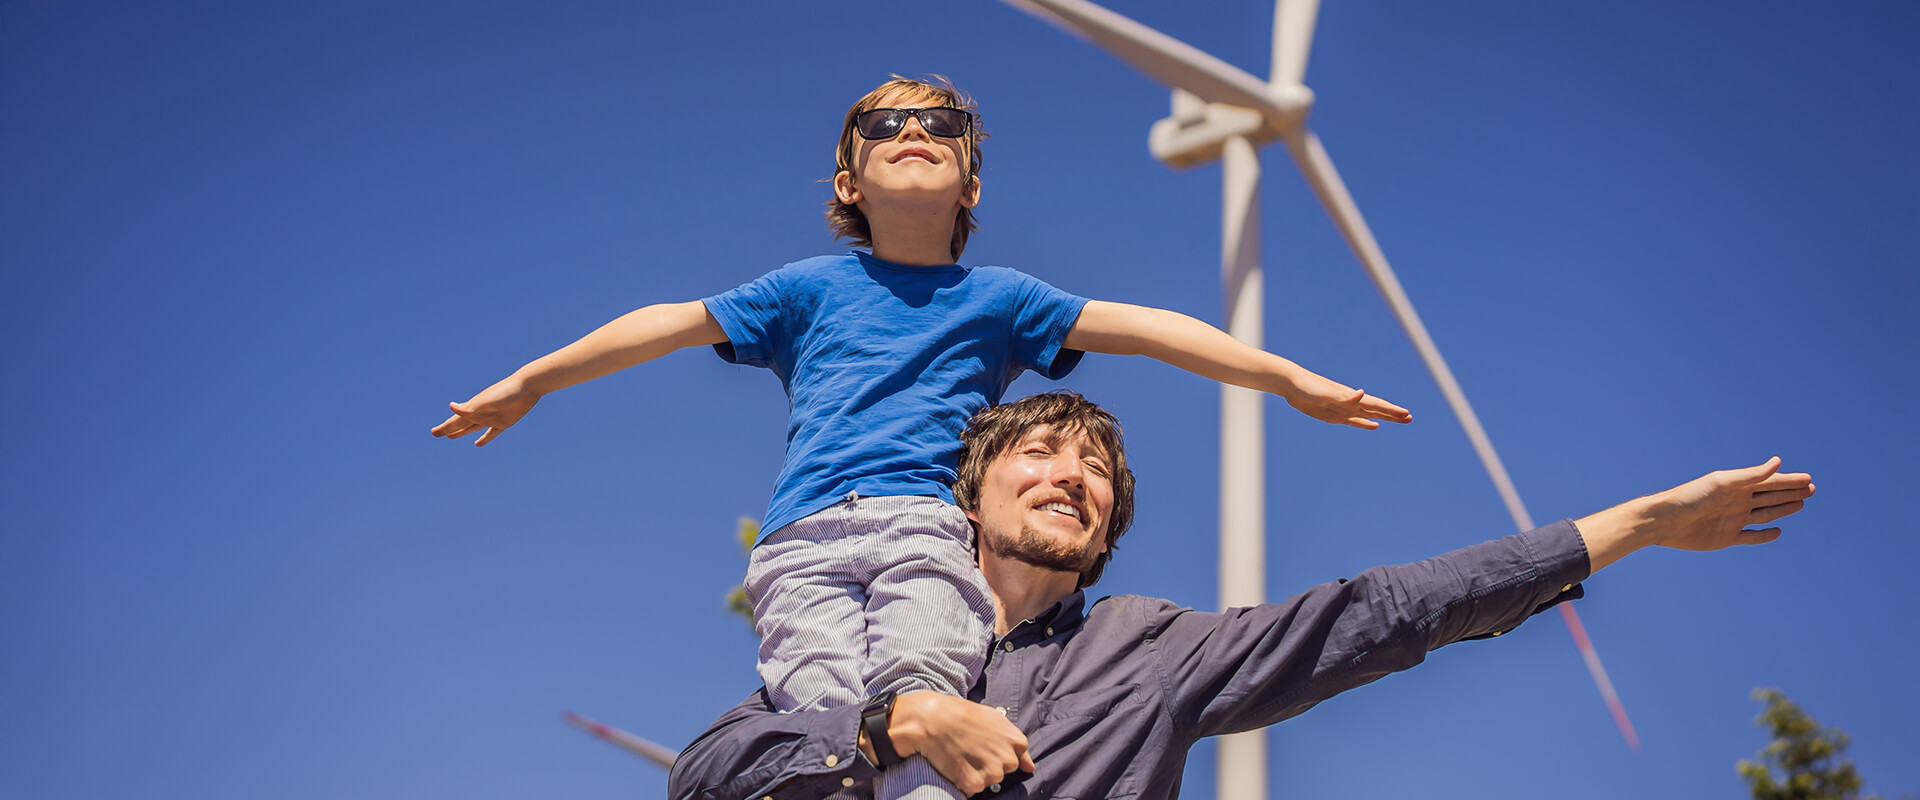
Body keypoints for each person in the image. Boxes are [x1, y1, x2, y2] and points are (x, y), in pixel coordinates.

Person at [430, 77, 1410, 800]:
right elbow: (662, 322)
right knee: (823, 716)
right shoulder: (801, 289)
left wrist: (1284, 377)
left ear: (969, 185)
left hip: (925, 532)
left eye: (938, 126)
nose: (911, 132)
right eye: (882, 125)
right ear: (848, 179)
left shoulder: (1002, 299)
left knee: (928, 681)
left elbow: (1150, 326)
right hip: (799, 539)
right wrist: (530, 381)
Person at [667, 391, 1815, 800]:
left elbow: (1384, 611)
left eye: (1098, 470)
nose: (1073, 473)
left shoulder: (1149, 648)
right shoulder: (868, 626)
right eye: (1042, 452)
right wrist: (894, 720)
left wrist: (1639, 526)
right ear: (970, 492)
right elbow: (706, 768)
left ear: (1109, 524)